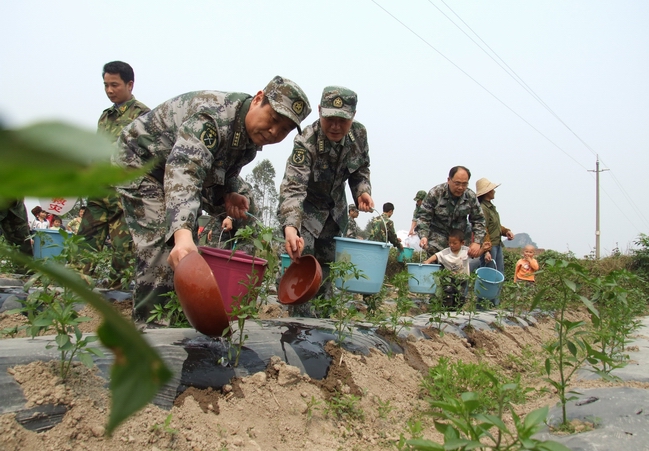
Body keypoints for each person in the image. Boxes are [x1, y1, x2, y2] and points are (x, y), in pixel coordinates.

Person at [114, 75, 311, 321]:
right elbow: (184, 172)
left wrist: (228, 194)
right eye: (273, 120)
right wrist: (182, 235)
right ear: (258, 99)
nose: (274, 132)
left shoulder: (249, 137)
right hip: (142, 162)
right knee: (162, 247)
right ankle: (153, 333)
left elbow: (221, 169)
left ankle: (204, 303)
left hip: (178, 169)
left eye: (284, 130)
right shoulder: (213, 119)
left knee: (245, 199)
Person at [278, 85, 373, 315]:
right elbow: (293, 187)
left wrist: (362, 191)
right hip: (305, 215)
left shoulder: (358, 136)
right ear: (320, 111)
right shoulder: (306, 141)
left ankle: (323, 331)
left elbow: (360, 169)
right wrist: (291, 226)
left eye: (343, 120)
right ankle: (298, 330)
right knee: (303, 273)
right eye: (329, 118)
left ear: (353, 117)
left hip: (335, 216)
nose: (335, 126)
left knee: (327, 277)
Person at [77, 61, 150, 289]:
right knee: (85, 241)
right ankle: (77, 287)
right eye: (106, 85)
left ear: (129, 84)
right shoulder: (105, 117)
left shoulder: (143, 115)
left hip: (123, 194)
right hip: (99, 191)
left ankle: (117, 294)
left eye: (115, 85)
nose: (109, 90)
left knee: (123, 249)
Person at [415, 166, 486, 259]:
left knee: (458, 270)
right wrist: (423, 236)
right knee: (435, 268)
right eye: (457, 183)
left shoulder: (470, 196)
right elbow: (423, 217)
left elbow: (479, 220)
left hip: (459, 241)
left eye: (464, 184)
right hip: (437, 240)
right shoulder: (436, 193)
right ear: (449, 180)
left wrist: (477, 242)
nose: (460, 187)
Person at [475, 177, 514, 275]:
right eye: (492, 189)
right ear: (487, 192)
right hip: (490, 245)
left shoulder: (491, 207)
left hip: (497, 244)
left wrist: (506, 231)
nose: (494, 191)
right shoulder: (483, 208)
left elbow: (495, 225)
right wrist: (486, 250)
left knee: (498, 273)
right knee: (489, 274)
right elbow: (483, 229)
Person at [423, 228, 469, 309]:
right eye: (450, 243)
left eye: (455, 243)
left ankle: (456, 311)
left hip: (462, 279)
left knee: (460, 297)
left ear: (462, 243)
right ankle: (447, 310)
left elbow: (476, 254)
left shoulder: (466, 251)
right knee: (448, 294)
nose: (451, 245)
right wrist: (428, 261)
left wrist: (484, 250)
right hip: (450, 279)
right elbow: (437, 255)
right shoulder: (446, 252)